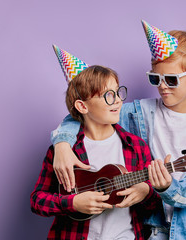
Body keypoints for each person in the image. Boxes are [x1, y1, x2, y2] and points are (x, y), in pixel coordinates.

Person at [50, 20, 186, 240]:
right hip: (143, 228)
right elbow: (87, 114)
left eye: (171, 80)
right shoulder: (137, 113)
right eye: (155, 78)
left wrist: (166, 188)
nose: (162, 86)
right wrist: (62, 144)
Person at [30, 46, 160, 240]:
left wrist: (147, 191)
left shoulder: (136, 146)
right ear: (82, 106)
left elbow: (154, 205)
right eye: (108, 95)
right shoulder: (64, 152)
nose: (117, 101)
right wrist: (72, 203)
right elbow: (37, 201)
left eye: (118, 92)